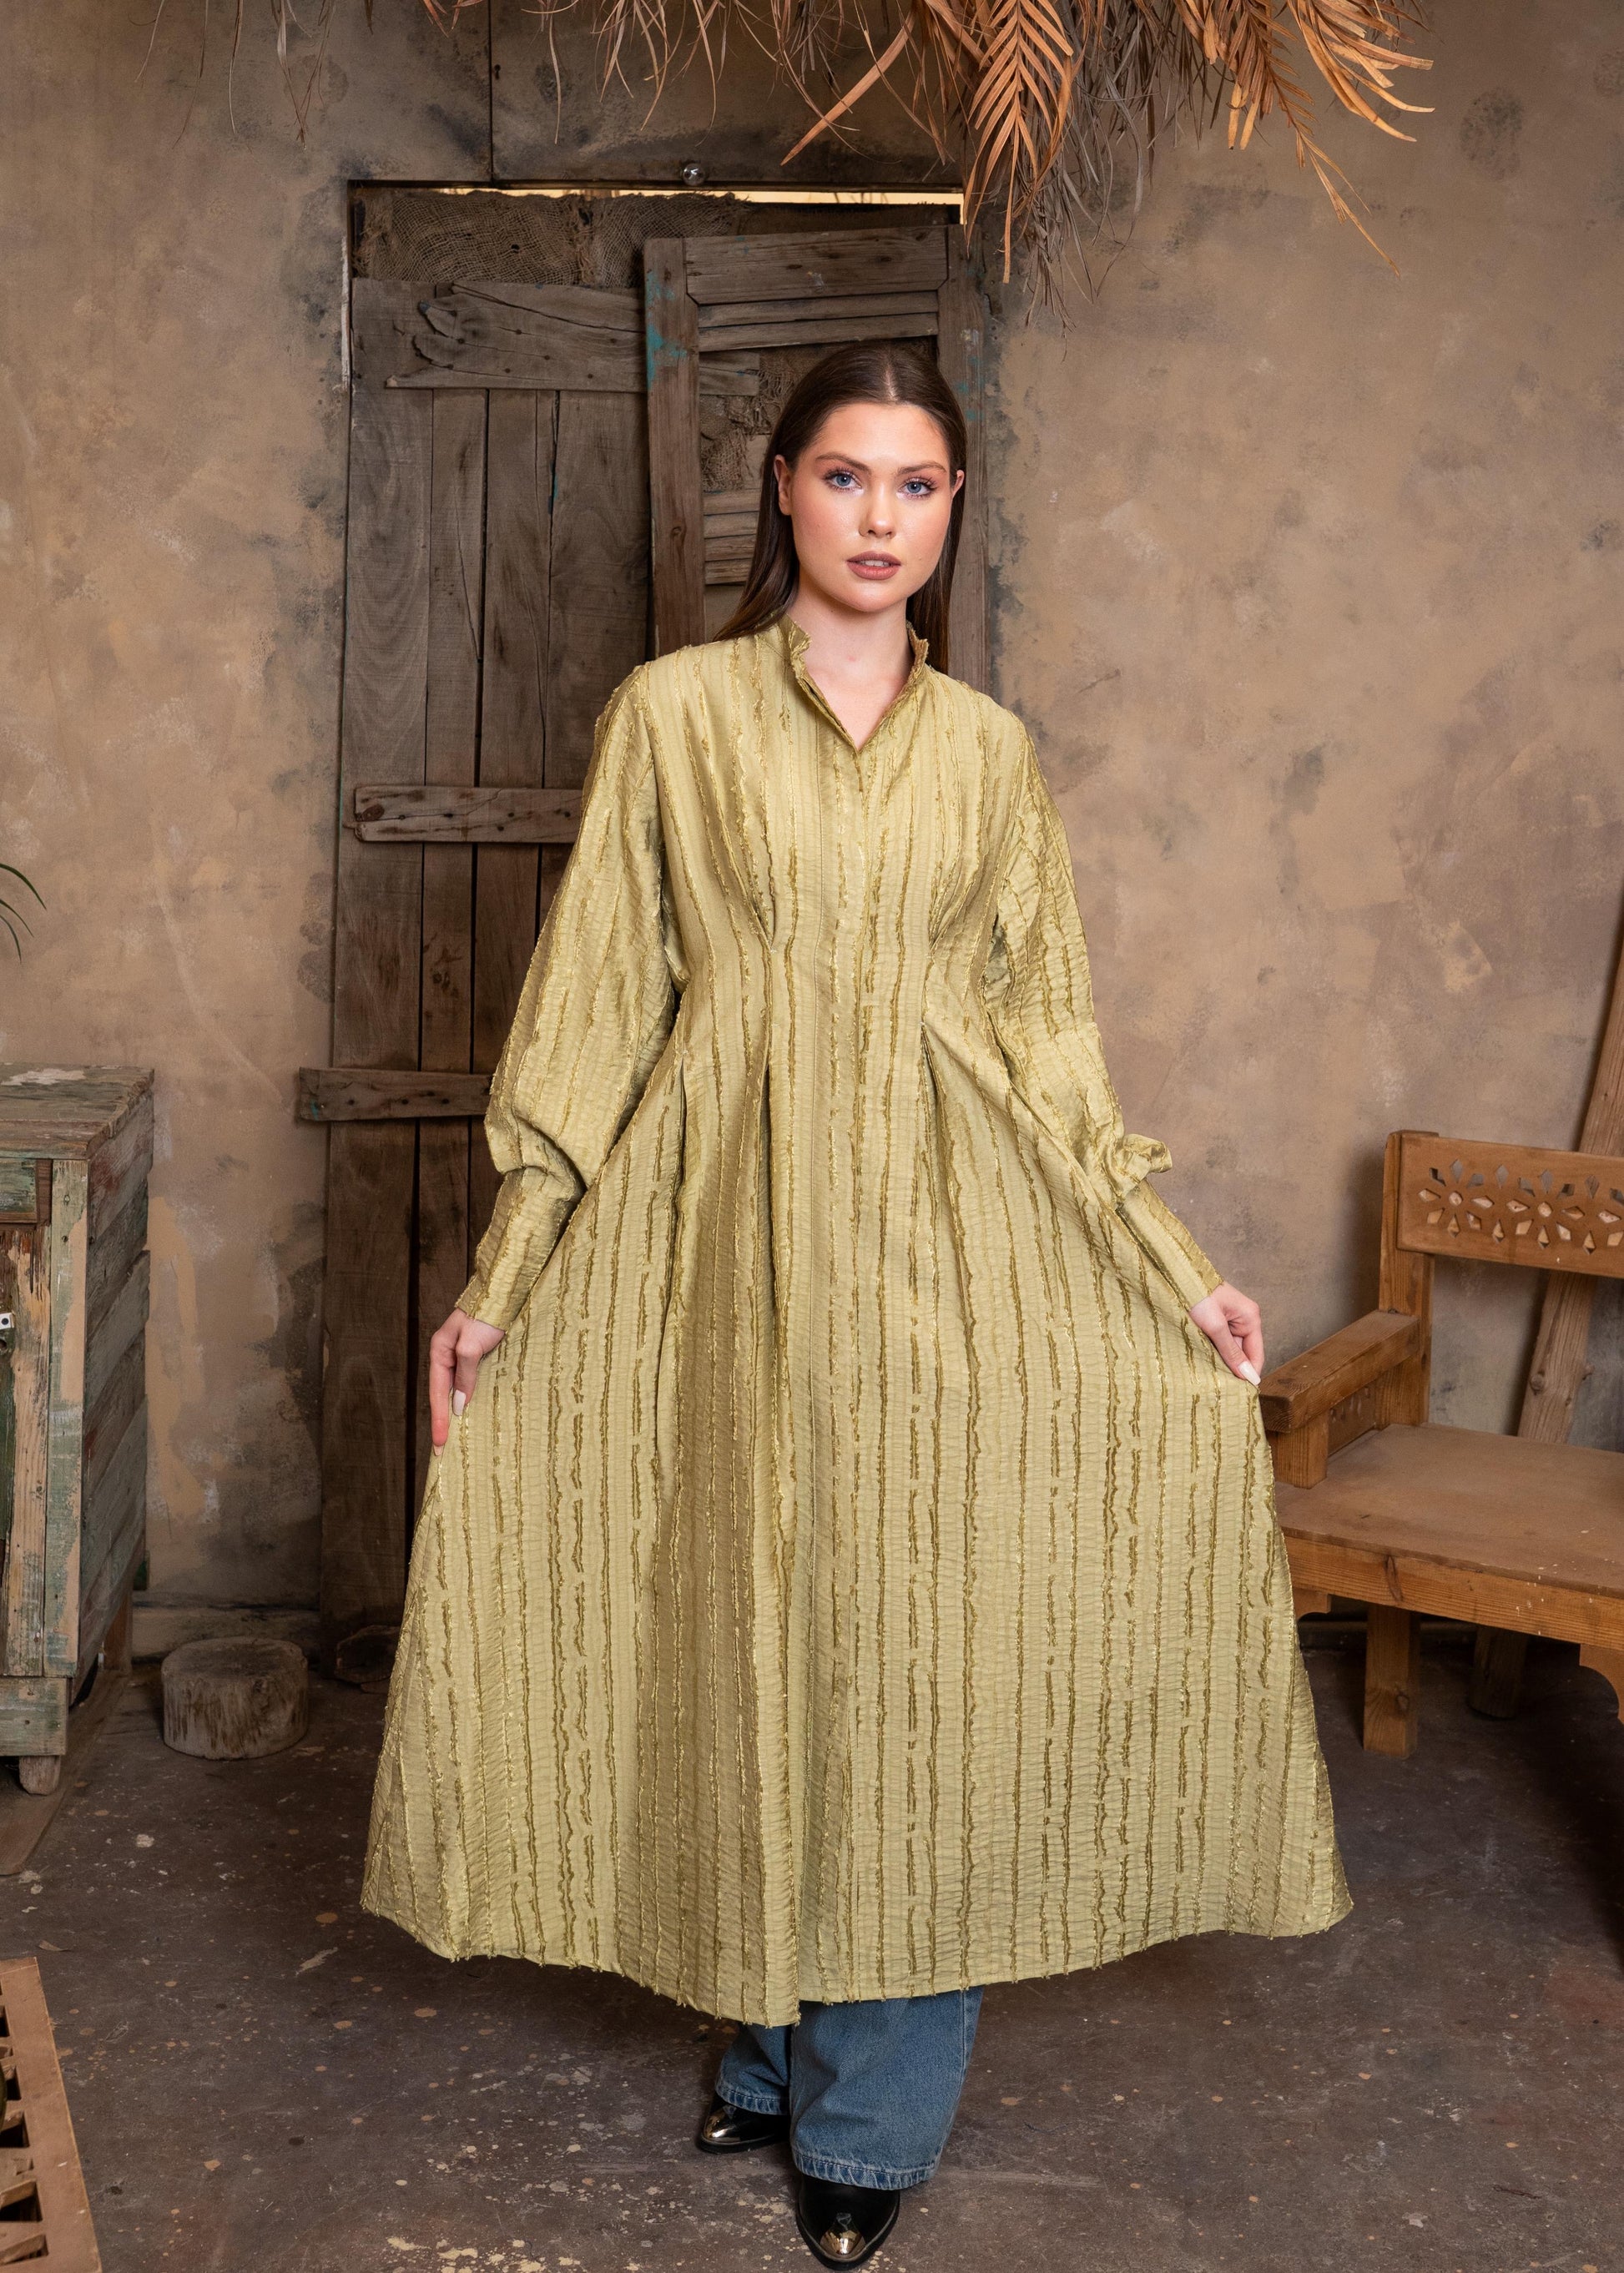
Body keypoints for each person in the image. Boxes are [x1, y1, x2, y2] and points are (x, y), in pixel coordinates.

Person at [362, 340, 1351, 2267]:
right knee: (738, 1626)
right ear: (784, 493)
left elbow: (1045, 1041)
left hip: (948, 1257)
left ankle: (870, 2122)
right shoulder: (672, 716)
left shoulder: (990, 756)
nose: (878, 518)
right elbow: (595, 1001)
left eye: (914, 484)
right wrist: (508, 1274)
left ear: (952, 508)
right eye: (843, 477)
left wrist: (1173, 1269)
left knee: (912, 1662)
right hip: (708, 1249)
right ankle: (765, 2038)